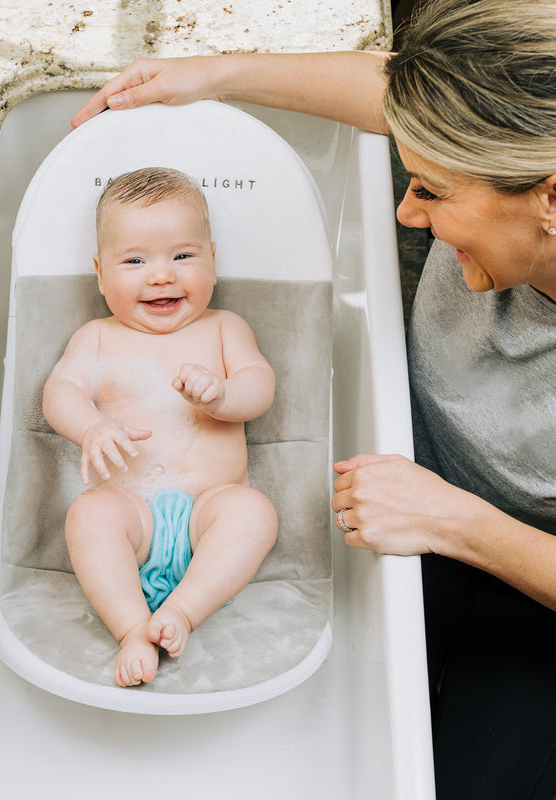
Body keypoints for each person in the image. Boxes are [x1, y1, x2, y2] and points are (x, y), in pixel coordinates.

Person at [70, 1, 556, 797]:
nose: (407, 213)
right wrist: (209, 76)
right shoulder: (516, 157)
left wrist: (454, 522)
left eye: (431, 190)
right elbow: (398, 96)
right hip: (415, 498)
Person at [42, 166, 277, 689]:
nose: (161, 275)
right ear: (101, 274)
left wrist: (223, 394)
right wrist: (92, 427)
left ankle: (185, 611)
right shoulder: (97, 337)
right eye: (134, 261)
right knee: (89, 514)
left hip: (210, 513)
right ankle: (131, 627)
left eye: (183, 256)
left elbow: (259, 386)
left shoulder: (224, 327)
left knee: (253, 511)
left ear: (212, 260)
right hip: (134, 518)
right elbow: (61, 392)